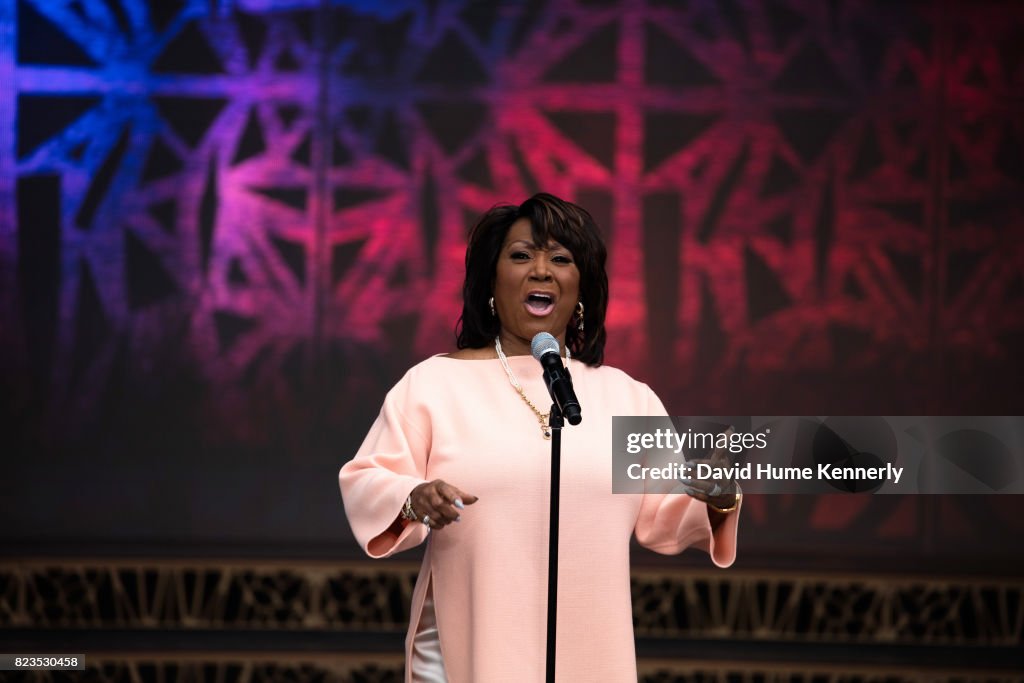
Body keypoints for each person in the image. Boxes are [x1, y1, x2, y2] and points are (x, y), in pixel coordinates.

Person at [339, 193, 741, 682]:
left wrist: (718, 495)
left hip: (590, 650)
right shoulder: (433, 386)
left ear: (581, 288)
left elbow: (665, 511)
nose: (541, 271)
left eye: (561, 259)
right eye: (522, 255)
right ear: (492, 281)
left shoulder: (625, 397)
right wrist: (413, 497)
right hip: (473, 649)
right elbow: (368, 477)